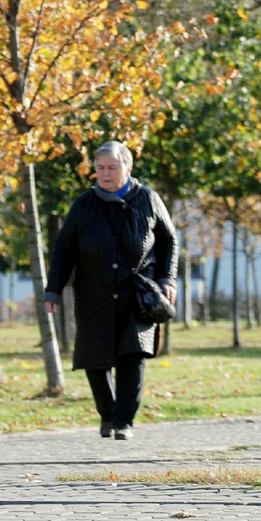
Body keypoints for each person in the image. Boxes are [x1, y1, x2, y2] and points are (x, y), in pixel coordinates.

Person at [44, 141, 178, 441]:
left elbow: (169, 240)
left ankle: (124, 422)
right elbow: (64, 249)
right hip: (94, 293)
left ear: (127, 169)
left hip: (137, 292)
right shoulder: (83, 205)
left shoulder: (148, 199)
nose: (105, 174)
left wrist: (168, 279)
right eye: (100, 168)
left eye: (112, 168)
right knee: (95, 358)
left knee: (133, 355)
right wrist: (53, 290)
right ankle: (107, 414)